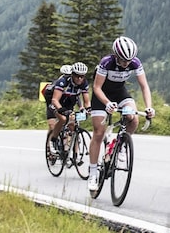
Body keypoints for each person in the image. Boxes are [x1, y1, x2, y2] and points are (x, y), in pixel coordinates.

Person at [88, 36, 155, 196]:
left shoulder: (135, 63)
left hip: (120, 93)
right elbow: (96, 87)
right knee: (98, 132)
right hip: (101, 95)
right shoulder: (106, 63)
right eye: (123, 60)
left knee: (133, 118)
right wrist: (106, 103)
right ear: (116, 55)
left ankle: (121, 145)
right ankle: (92, 174)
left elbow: (144, 86)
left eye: (129, 60)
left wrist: (149, 107)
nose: (126, 64)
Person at [46, 62, 91, 151]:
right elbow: (55, 100)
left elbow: (86, 100)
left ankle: (74, 153)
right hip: (57, 103)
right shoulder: (63, 81)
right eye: (77, 76)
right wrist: (61, 109)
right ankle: (54, 139)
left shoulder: (84, 83)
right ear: (72, 75)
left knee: (73, 125)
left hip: (69, 103)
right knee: (63, 119)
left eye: (82, 76)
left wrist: (88, 109)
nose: (79, 78)